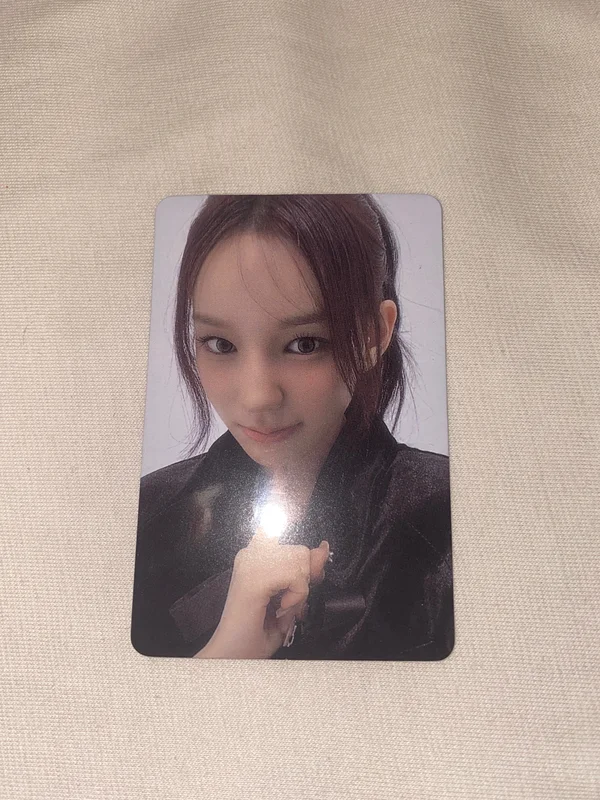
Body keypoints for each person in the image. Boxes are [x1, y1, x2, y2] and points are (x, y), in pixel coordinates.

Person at [131, 194, 454, 660]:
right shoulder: (149, 512)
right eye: (220, 344)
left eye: (304, 344)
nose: (258, 396)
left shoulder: (443, 520)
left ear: (373, 335)